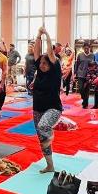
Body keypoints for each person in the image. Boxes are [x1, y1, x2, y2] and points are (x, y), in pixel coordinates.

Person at [31, 27, 62, 174]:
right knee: (42, 139)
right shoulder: (40, 70)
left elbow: (50, 52)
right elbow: (36, 52)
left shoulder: (55, 71)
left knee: (44, 127)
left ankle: (50, 135)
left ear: (51, 64)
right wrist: (38, 36)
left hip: (53, 108)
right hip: (37, 109)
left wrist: (47, 35)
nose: (42, 65)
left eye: (45, 63)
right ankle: (50, 165)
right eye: (41, 63)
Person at [74, 42, 96, 109]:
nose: (86, 49)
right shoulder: (80, 55)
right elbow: (77, 64)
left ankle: (85, 104)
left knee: (87, 90)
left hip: (89, 75)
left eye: (87, 48)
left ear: (89, 48)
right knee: (80, 88)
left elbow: (94, 65)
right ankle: (84, 98)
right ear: (83, 48)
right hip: (80, 74)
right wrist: (75, 73)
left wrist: (94, 74)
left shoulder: (93, 55)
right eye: (85, 48)